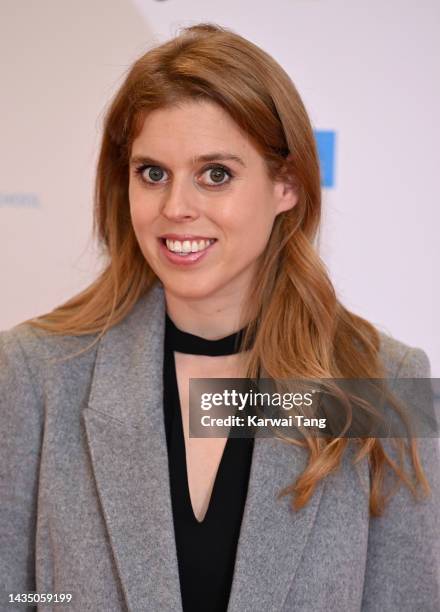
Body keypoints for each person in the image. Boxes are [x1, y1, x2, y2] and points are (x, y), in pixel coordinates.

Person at [1, 22, 439, 612]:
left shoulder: (382, 381)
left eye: (216, 175)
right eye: (152, 173)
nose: (176, 208)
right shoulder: (35, 373)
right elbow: (18, 593)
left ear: (286, 184)